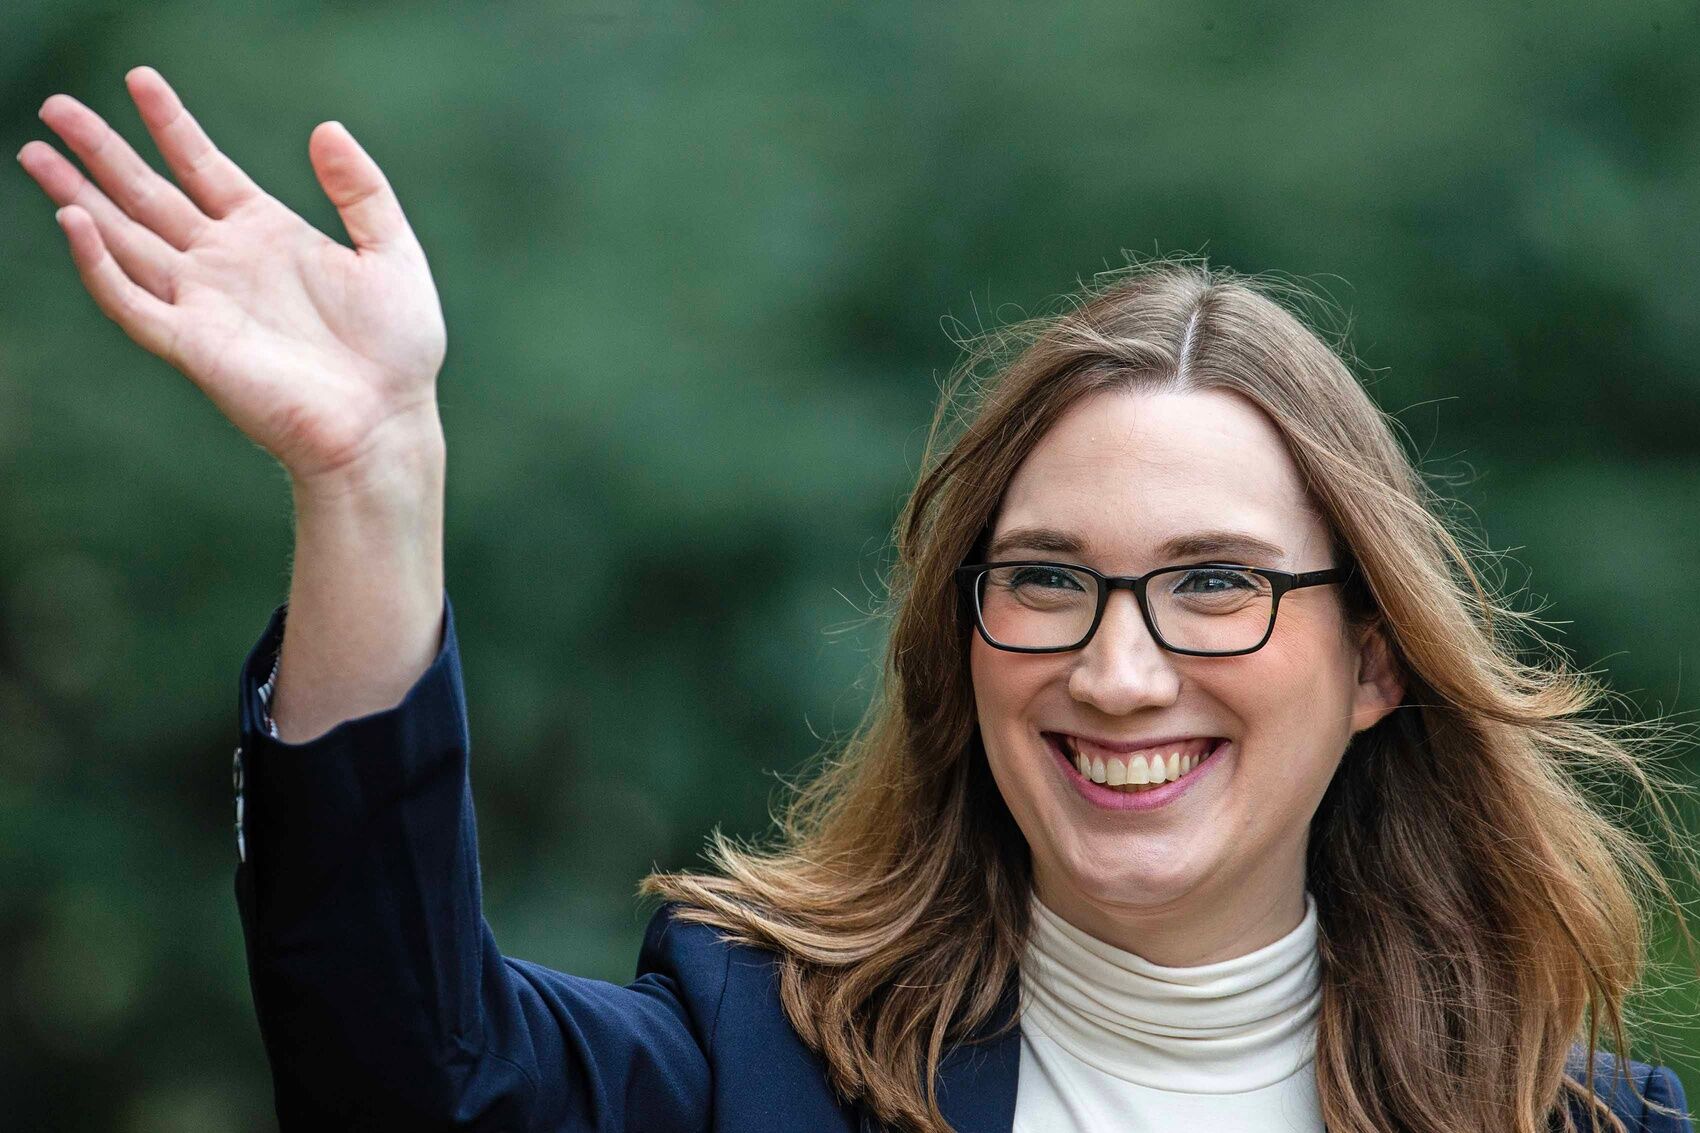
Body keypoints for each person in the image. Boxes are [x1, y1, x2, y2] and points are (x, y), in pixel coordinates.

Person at [19, 66, 1696, 1133]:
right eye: (1045, 581)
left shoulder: (1587, 1125)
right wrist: (372, 477)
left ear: (1377, 658)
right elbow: (399, 1075)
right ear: (961, 639)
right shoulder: (753, 1058)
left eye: (1215, 586)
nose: (1120, 672)